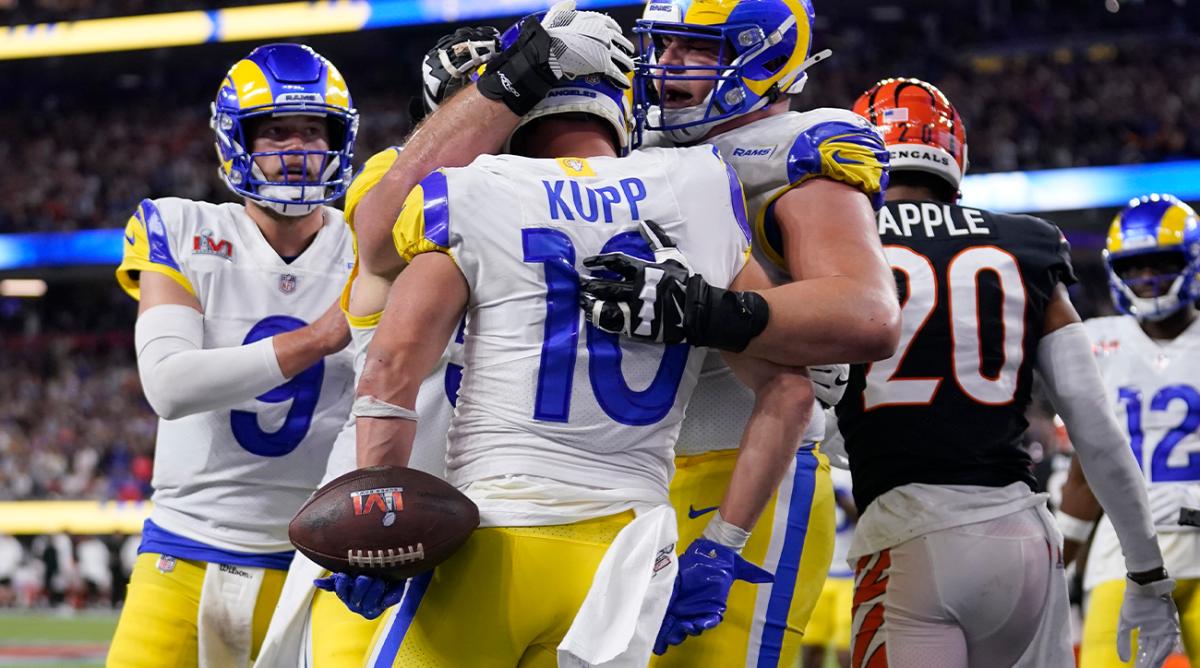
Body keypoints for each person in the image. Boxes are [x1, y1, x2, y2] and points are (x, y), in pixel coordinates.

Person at [325, 20, 815, 665]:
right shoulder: (699, 189)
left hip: (500, 534)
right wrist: (723, 545)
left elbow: (388, 372)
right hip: (630, 553)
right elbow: (790, 385)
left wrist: (375, 511)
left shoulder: (467, 192)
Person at [253, 7, 636, 666]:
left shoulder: (587, 206)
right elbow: (383, 224)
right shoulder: (399, 188)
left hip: (519, 529)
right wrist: (511, 80)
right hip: (383, 531)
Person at [571, 1, 899, 663]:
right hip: (631, 474)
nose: (666, 69)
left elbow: (866, 313)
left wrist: (708, 312)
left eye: (694, 50)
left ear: (768, 57)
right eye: (662, 48)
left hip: (746, 470)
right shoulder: (640, 148)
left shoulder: (793, 151)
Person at [823, 77, 1177, 667]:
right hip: (1024, 543)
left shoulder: (840, 248)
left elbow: (814, 418)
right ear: (954, 157)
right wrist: (1147, 572)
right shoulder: (1026, 244)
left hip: (909, 540)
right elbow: (1097, 431)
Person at [108, 43, 359, 666]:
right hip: (186, 547)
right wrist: (321, 336)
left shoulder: (373, 243)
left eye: (312, 131)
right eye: (276, 132)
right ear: (238, 140)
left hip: (320, 563)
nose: (298, 150)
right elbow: (169, 384)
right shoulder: (179, 225)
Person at [1056, 193, 1200, 667]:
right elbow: (1085, 472)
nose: (1147, 278)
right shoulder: (1097, 341)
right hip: (1123, 552)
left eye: (1160, 263)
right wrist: (1055, 568)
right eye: (1134, 267)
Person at [800, 466, 855, 668]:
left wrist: (841, 499)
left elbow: (865, 518)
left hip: (850, 575)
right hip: (819, 574)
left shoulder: (854, 470)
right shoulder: (816, 466)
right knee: (811, 646)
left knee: (847, 651)